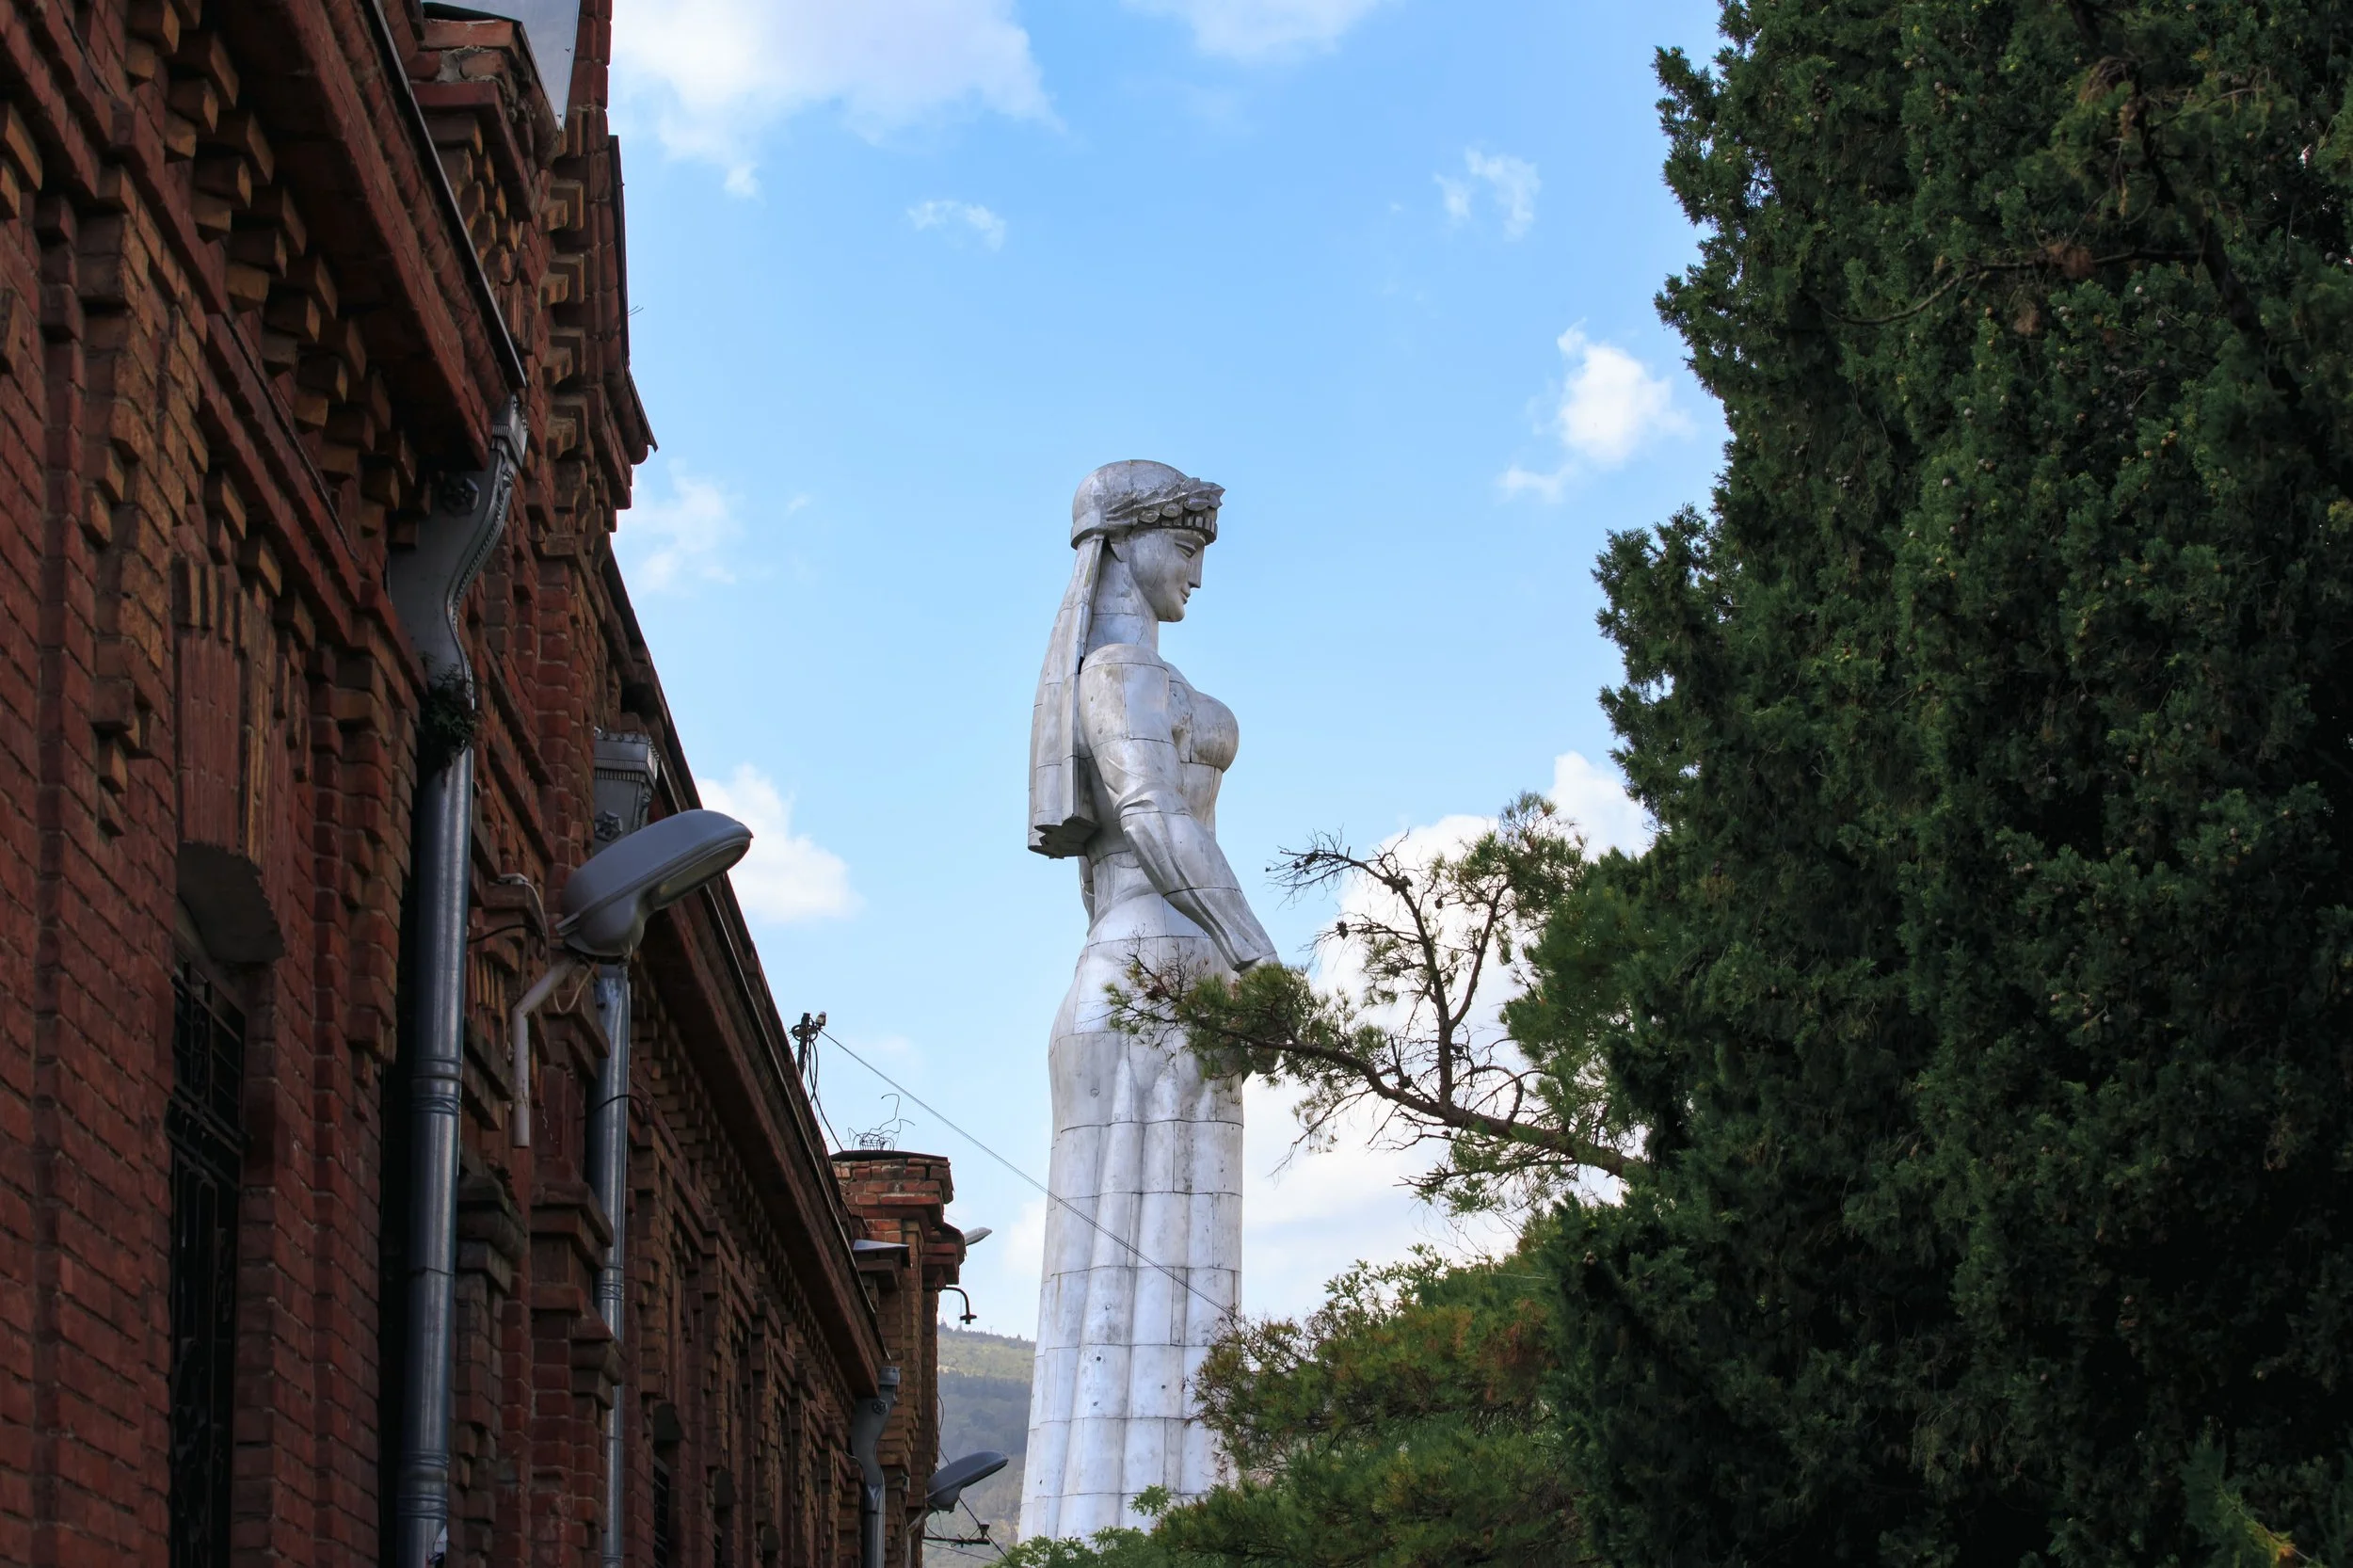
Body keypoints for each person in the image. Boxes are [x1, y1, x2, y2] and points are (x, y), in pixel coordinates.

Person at [1020, 460, 1277, 1541]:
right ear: (1126, 544)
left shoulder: (1142, 677)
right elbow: (1156, 819)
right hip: (1147, 981)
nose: (1199, 577)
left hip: (1171, 976)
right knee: (1125, 1280)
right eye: (1188, 548)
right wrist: (1262, 963)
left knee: (1183, 1285)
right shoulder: (1116, 675)